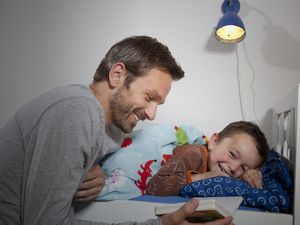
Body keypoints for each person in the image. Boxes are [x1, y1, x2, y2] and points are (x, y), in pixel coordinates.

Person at [0, 35, 234, 225]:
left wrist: (98, 171)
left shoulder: (111, 130)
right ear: (117, 75)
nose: (151, 114)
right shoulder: (76, 111)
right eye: (149, 97)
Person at [146, 121, 270, 196]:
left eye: (243, 167)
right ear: (214, 142)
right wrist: (207, 176)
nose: (233, 168)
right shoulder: (194, 153)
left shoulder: (229, 172)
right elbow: (155, 188)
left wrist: (247, 176)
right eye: (232, 154)